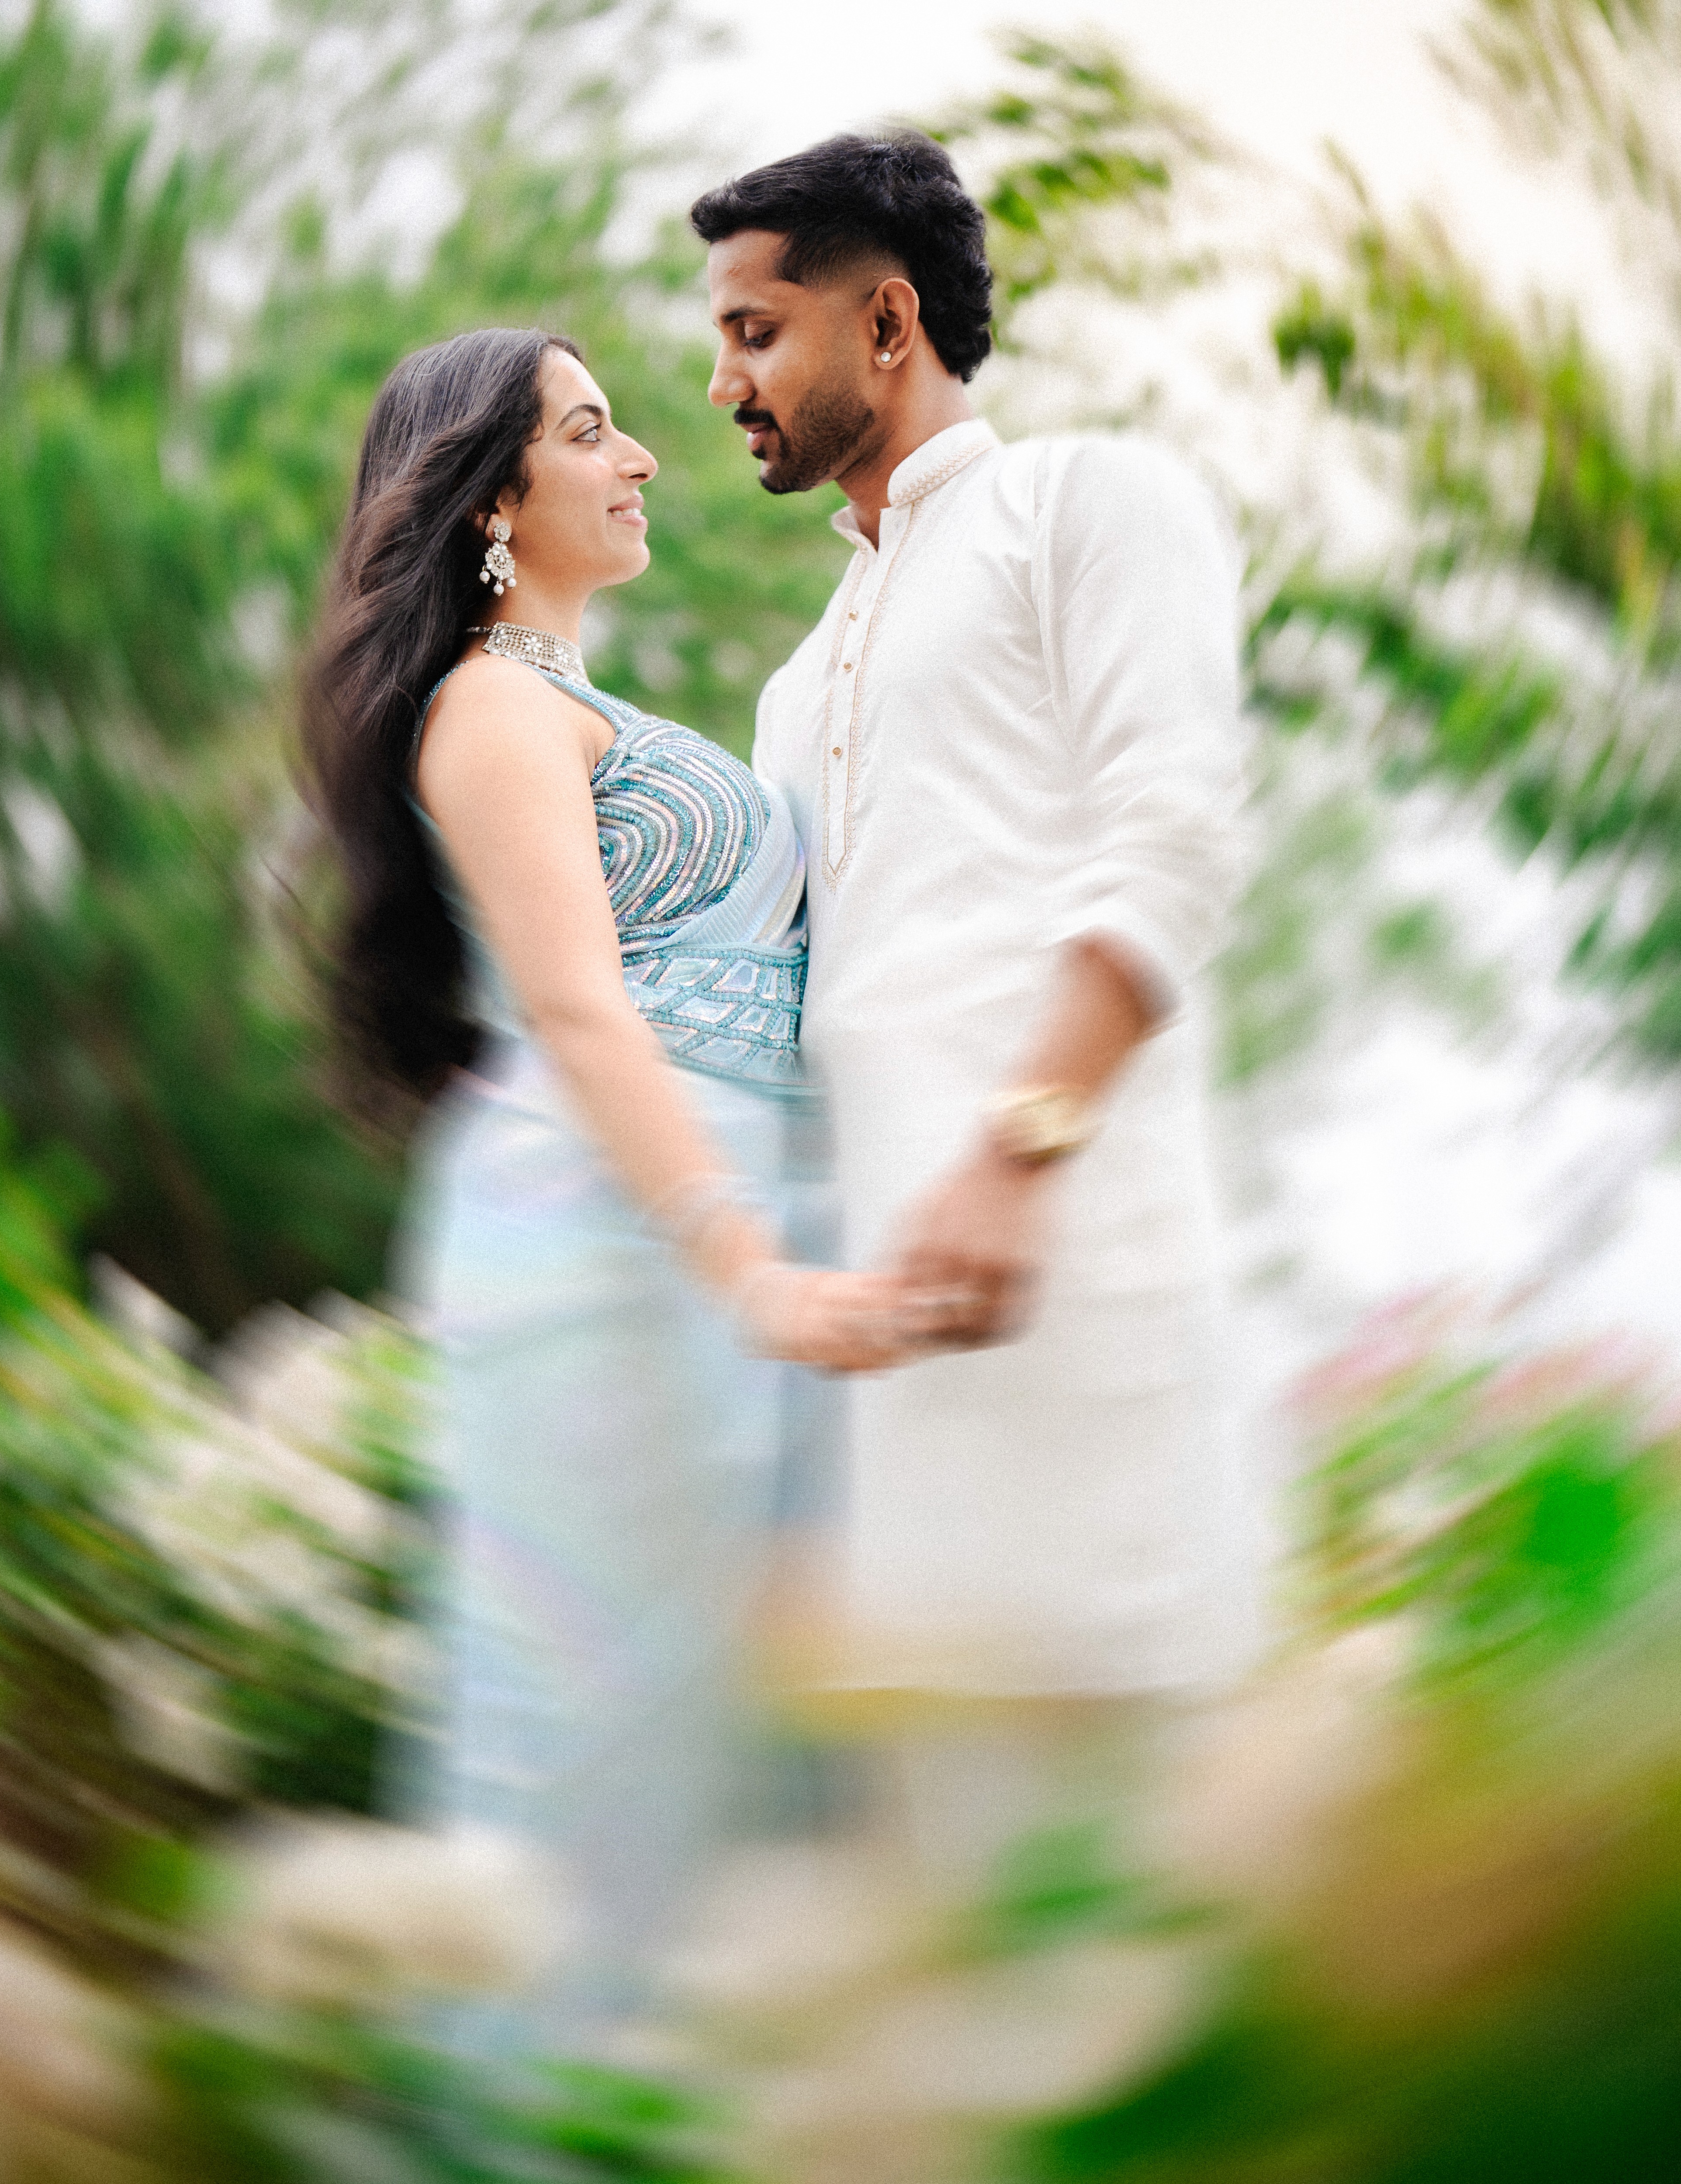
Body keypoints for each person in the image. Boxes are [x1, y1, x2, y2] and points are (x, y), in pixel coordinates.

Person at [299, 327, 932, 2039]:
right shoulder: (490, 711)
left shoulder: (589, 708)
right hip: (616, 1230)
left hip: (727, 1208)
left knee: (753, 1726)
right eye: (591, 431)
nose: (643, 454)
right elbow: (577, 1006)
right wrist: (749, 1268)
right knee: (606, 1738)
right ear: (496, 496)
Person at [690, 135, 1268, 1738]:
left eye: (755, 332)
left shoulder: (1089, 501)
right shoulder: (795, 690)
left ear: (887, 324)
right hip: (890, 1361)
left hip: (1082, 1277)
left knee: (1134, 1835)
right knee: (949, 1856)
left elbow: (1178, 832)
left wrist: (1017, 1159)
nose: (725, 383)